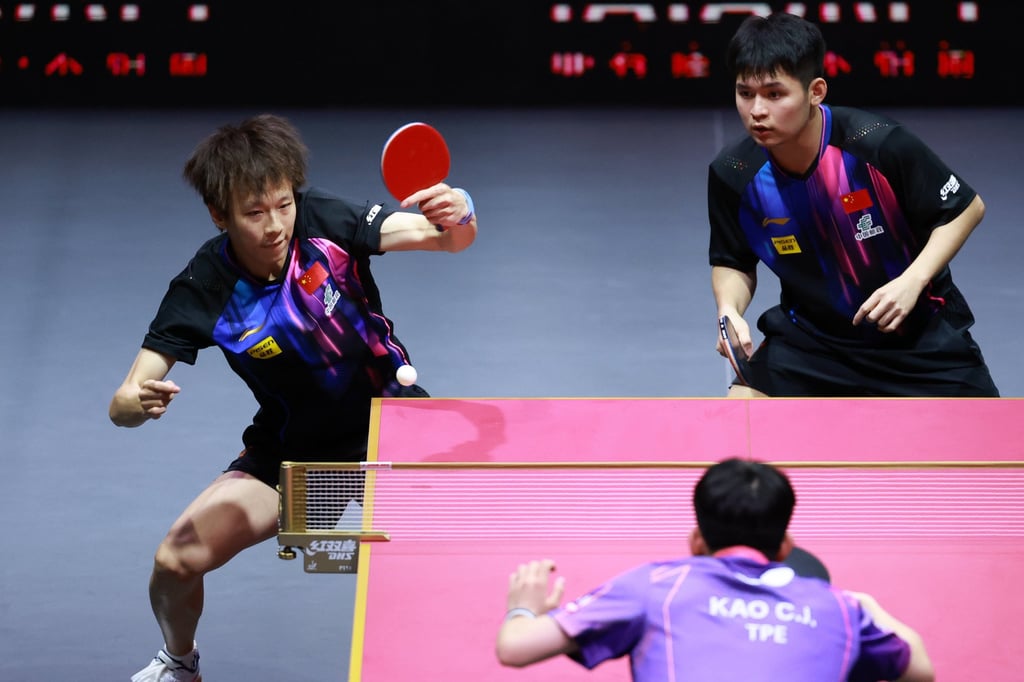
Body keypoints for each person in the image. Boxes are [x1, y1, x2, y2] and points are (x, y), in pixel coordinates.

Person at [109, 113, 478, 682]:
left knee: (434, 571)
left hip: (394, 428)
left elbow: (449, 241)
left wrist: (460, 211)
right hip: (297, 457)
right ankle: (180, 664)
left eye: (282, 204)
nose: (276, 224)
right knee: (173, 562)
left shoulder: (323, 219)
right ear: (218, 214)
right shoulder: (205, 287)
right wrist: (137, 404)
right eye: (254, 213)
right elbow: (124, 401)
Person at [708, 12, 998, 397]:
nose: (757, 110)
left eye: (775, 94)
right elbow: (733, 260)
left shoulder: (876, 144)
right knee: (739, 414)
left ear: (816, 91)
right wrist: (730, 309)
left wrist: (913, 280)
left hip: (920, 343)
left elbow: (966, 207)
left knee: (992, 448)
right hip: (810, 345)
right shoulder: (735, 172)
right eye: (746, 93)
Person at [496, 458, 934, 681]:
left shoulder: (655, 585)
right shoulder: (840, 609)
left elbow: (515, 649)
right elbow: (920, 671)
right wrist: (863, 604)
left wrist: (523, 608)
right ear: (785, 546)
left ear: (696, 543)